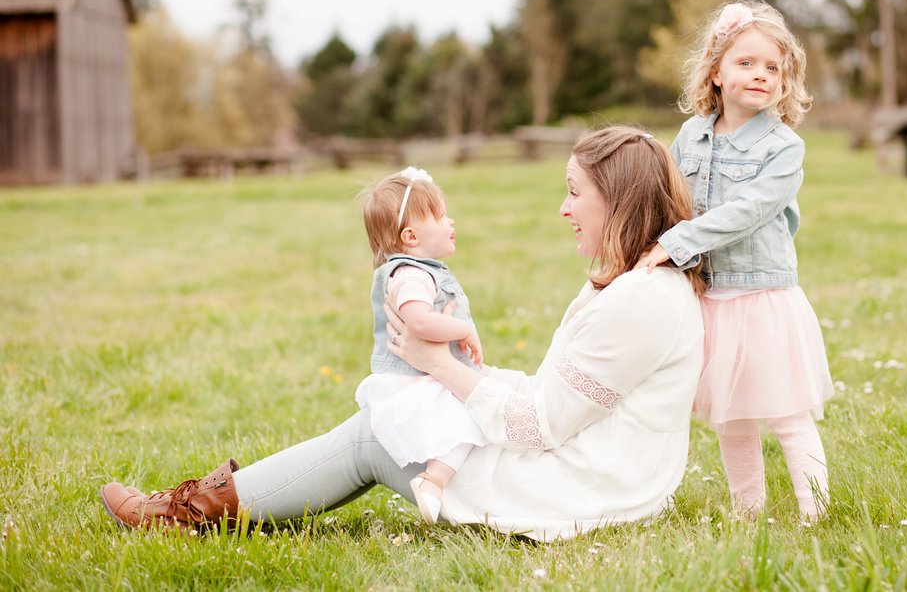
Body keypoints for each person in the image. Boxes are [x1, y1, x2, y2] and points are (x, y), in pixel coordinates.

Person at [99, 126, 707, 542]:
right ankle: (205, 502)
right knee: (408, 414)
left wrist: (438, 365)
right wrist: (464, 379)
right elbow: (556, 399)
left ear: (619, 200)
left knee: (375, 436)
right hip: (592, 474)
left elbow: (541, 425)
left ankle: (183, 514)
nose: (563, 209)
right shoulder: (629, 281)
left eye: (576, 193)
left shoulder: (643, 299)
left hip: (576, 492)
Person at [637, 0, 834, 523]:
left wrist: (678, 242)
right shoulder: (690, 136)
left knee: (787, 413)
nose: (761, 75)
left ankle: (816, 512)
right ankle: (748, 510)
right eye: (746, 63)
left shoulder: (783, 148)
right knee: (732, 418)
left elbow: (747, 212)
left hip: (762, 296)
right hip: (712, 296)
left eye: (774, 67)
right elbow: (668, 197)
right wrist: (645, 243)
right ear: (717, 72)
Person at [352, 166, 486, 524]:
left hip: (425, 376)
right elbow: (419, 321)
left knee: (476, 417)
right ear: (410, 236)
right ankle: (433, 480)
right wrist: (462, 330)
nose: (451, 221)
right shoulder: (411, 275)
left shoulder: (422, 271)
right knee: (470, 420)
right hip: (415, 383)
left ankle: (439, 480)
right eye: (441, 216)